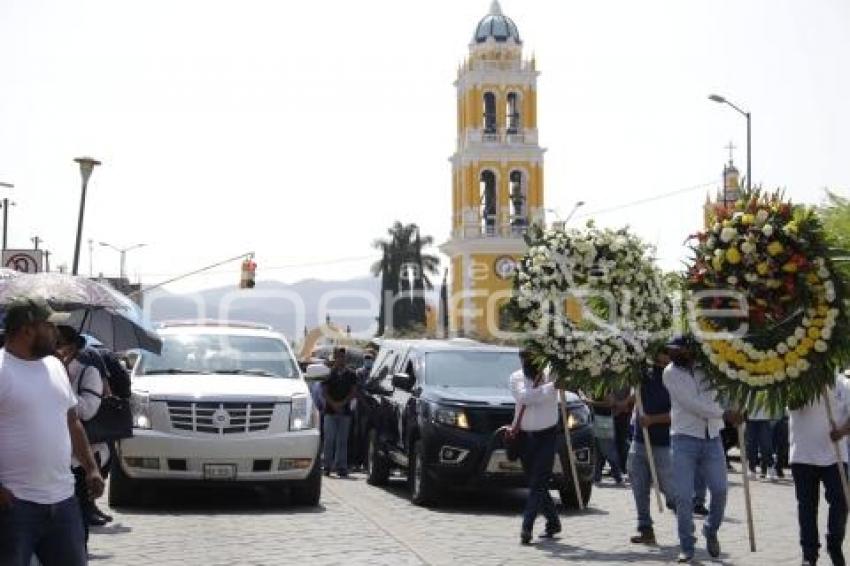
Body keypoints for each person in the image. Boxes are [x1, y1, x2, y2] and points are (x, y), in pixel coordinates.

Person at [0, 297, 105, 566]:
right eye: (50, 326)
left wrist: (91, 468)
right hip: (13, 505)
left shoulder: (55, 367)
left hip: (63, 500)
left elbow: (72, 422)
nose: (56, 333)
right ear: (27, 330)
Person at [662, 335, 742, 563]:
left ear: (690, 350)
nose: (672, 353)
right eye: (670, 350)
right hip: (683, 439)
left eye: (677, 350)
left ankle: (710, 529)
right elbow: (691, 404)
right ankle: (687, 545)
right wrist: (724, 415)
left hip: (712, 437)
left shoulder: (709, 367)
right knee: (684, 497)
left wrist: (736, 403)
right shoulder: (669, 373)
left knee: (720, 490)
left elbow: (726, 388)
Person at [789, 379, 850, 566]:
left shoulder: (844, 384)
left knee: (841, 501)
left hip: (835, 456)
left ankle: (834, 543)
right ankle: (809, 554)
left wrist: (842, 431)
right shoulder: (796, 381)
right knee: (807, 506)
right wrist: (812, 383)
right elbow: (792, 403)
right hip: (803, 454)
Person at [56, 326, 112, 530]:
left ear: (71, 348)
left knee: (78, 517)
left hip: (83, 453)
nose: (55, 350)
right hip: (58, 456)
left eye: (59, 344)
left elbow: (87, 410)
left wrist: (62, 387)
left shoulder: (88, 372)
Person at [509, 349, 561, 545]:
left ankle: (526, 526)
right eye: (524, 359)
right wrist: (550, 388)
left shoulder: (553, 373)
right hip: (524, 437)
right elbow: (524, 398)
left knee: (538, 481)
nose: (527, 362)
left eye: (532, 358)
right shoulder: (516, 377)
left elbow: (536, 396)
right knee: (535, 482)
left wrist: (552, 385)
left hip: (547, 436)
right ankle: (553, 521)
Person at [627, 351, 674, 545]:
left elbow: (677, 414)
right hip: (639, 441)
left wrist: (652, 420)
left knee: (670, 489)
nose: (662, 357)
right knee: (639, 486)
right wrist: (622, 404)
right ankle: (645, 528)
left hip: (663, 443)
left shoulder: (674, 376)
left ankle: (685, 523)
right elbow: (635, 396)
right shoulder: (643, 373)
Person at [321, 347, 357, 478]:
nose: (341, 359)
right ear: (335, 358)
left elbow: (353, 392)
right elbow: (324, 392)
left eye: (343, 356)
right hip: (330, 411)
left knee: (342, 440)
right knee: (329, 440)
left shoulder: (351, 374)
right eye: (339, 357)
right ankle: (327, 466)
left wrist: (342, 403)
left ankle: (341, 466)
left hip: (345, 412)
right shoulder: (329, 374)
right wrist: (334, 404)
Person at [746, 402, 778, 481]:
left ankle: (770, 469)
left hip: (764, 416)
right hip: (750, 416)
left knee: (766, 444)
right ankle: (752, 470)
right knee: (751, 445)